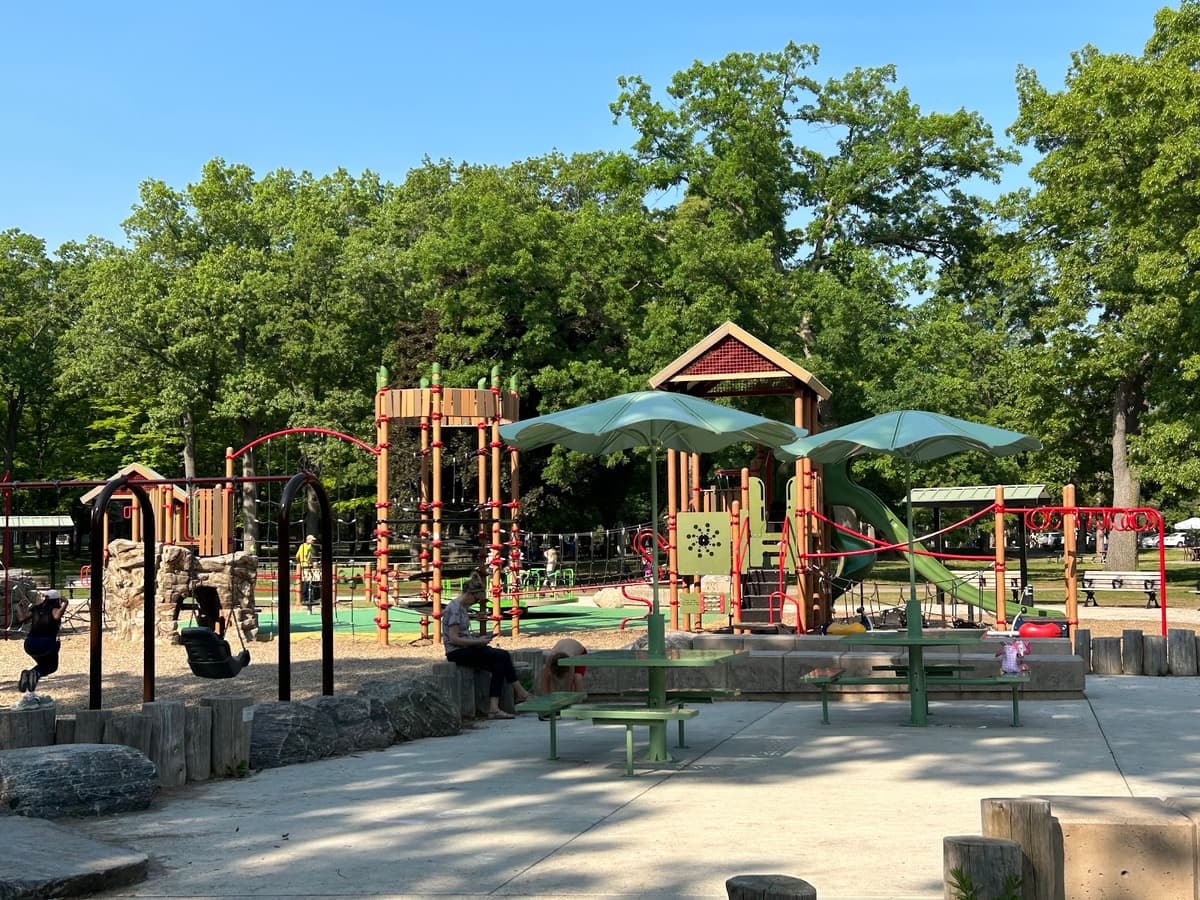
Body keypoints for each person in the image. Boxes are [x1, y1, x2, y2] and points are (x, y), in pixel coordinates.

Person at [442, 573, 531, 718]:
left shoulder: (462, 608)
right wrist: (478, 642)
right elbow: (454, 638)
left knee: (499, 664)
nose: (475, 603)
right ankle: (521, 693)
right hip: (456, 652)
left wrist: (478, 639)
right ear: (469, 594)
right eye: (476, 599)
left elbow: (463, 635)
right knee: (502, 655)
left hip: (466, 648)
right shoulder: (454, 608)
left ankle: (494, 708)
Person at [17, 589, 68, 708]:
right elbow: (57, 615)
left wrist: (19, 607)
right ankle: (33, 675)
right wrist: (66, 604)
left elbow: (21, 619)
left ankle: (30, 690)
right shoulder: (54, 609)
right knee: (51, 666)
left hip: (29, 644)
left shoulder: (36, 609)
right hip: (46, 644)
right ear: (57, 600)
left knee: (41, 666)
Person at [296, 534, 318, 612]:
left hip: (303, 565)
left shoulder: (301, 546)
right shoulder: (309, 547)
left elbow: (297, 555)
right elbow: (309, 557)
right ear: (308, 540)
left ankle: (305, 598)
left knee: (305, 581)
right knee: (309, 582)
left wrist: (300, 562)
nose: (313, 541)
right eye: (312, 540)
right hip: (308, 566)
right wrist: (312, 563)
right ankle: (308, 598)